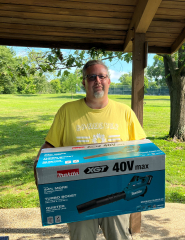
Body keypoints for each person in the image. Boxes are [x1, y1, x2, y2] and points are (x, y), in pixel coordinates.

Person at [33, 60, 146, 240]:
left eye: (102, 76)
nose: (97, 81)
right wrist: (40, 168)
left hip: (116, 191)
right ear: (84, 82)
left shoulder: (125, 112)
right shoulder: (66, 111)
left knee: (119, 237)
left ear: (109, 81)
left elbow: (143, 149)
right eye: (91, 77)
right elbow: (49, 147)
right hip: (79, 194)